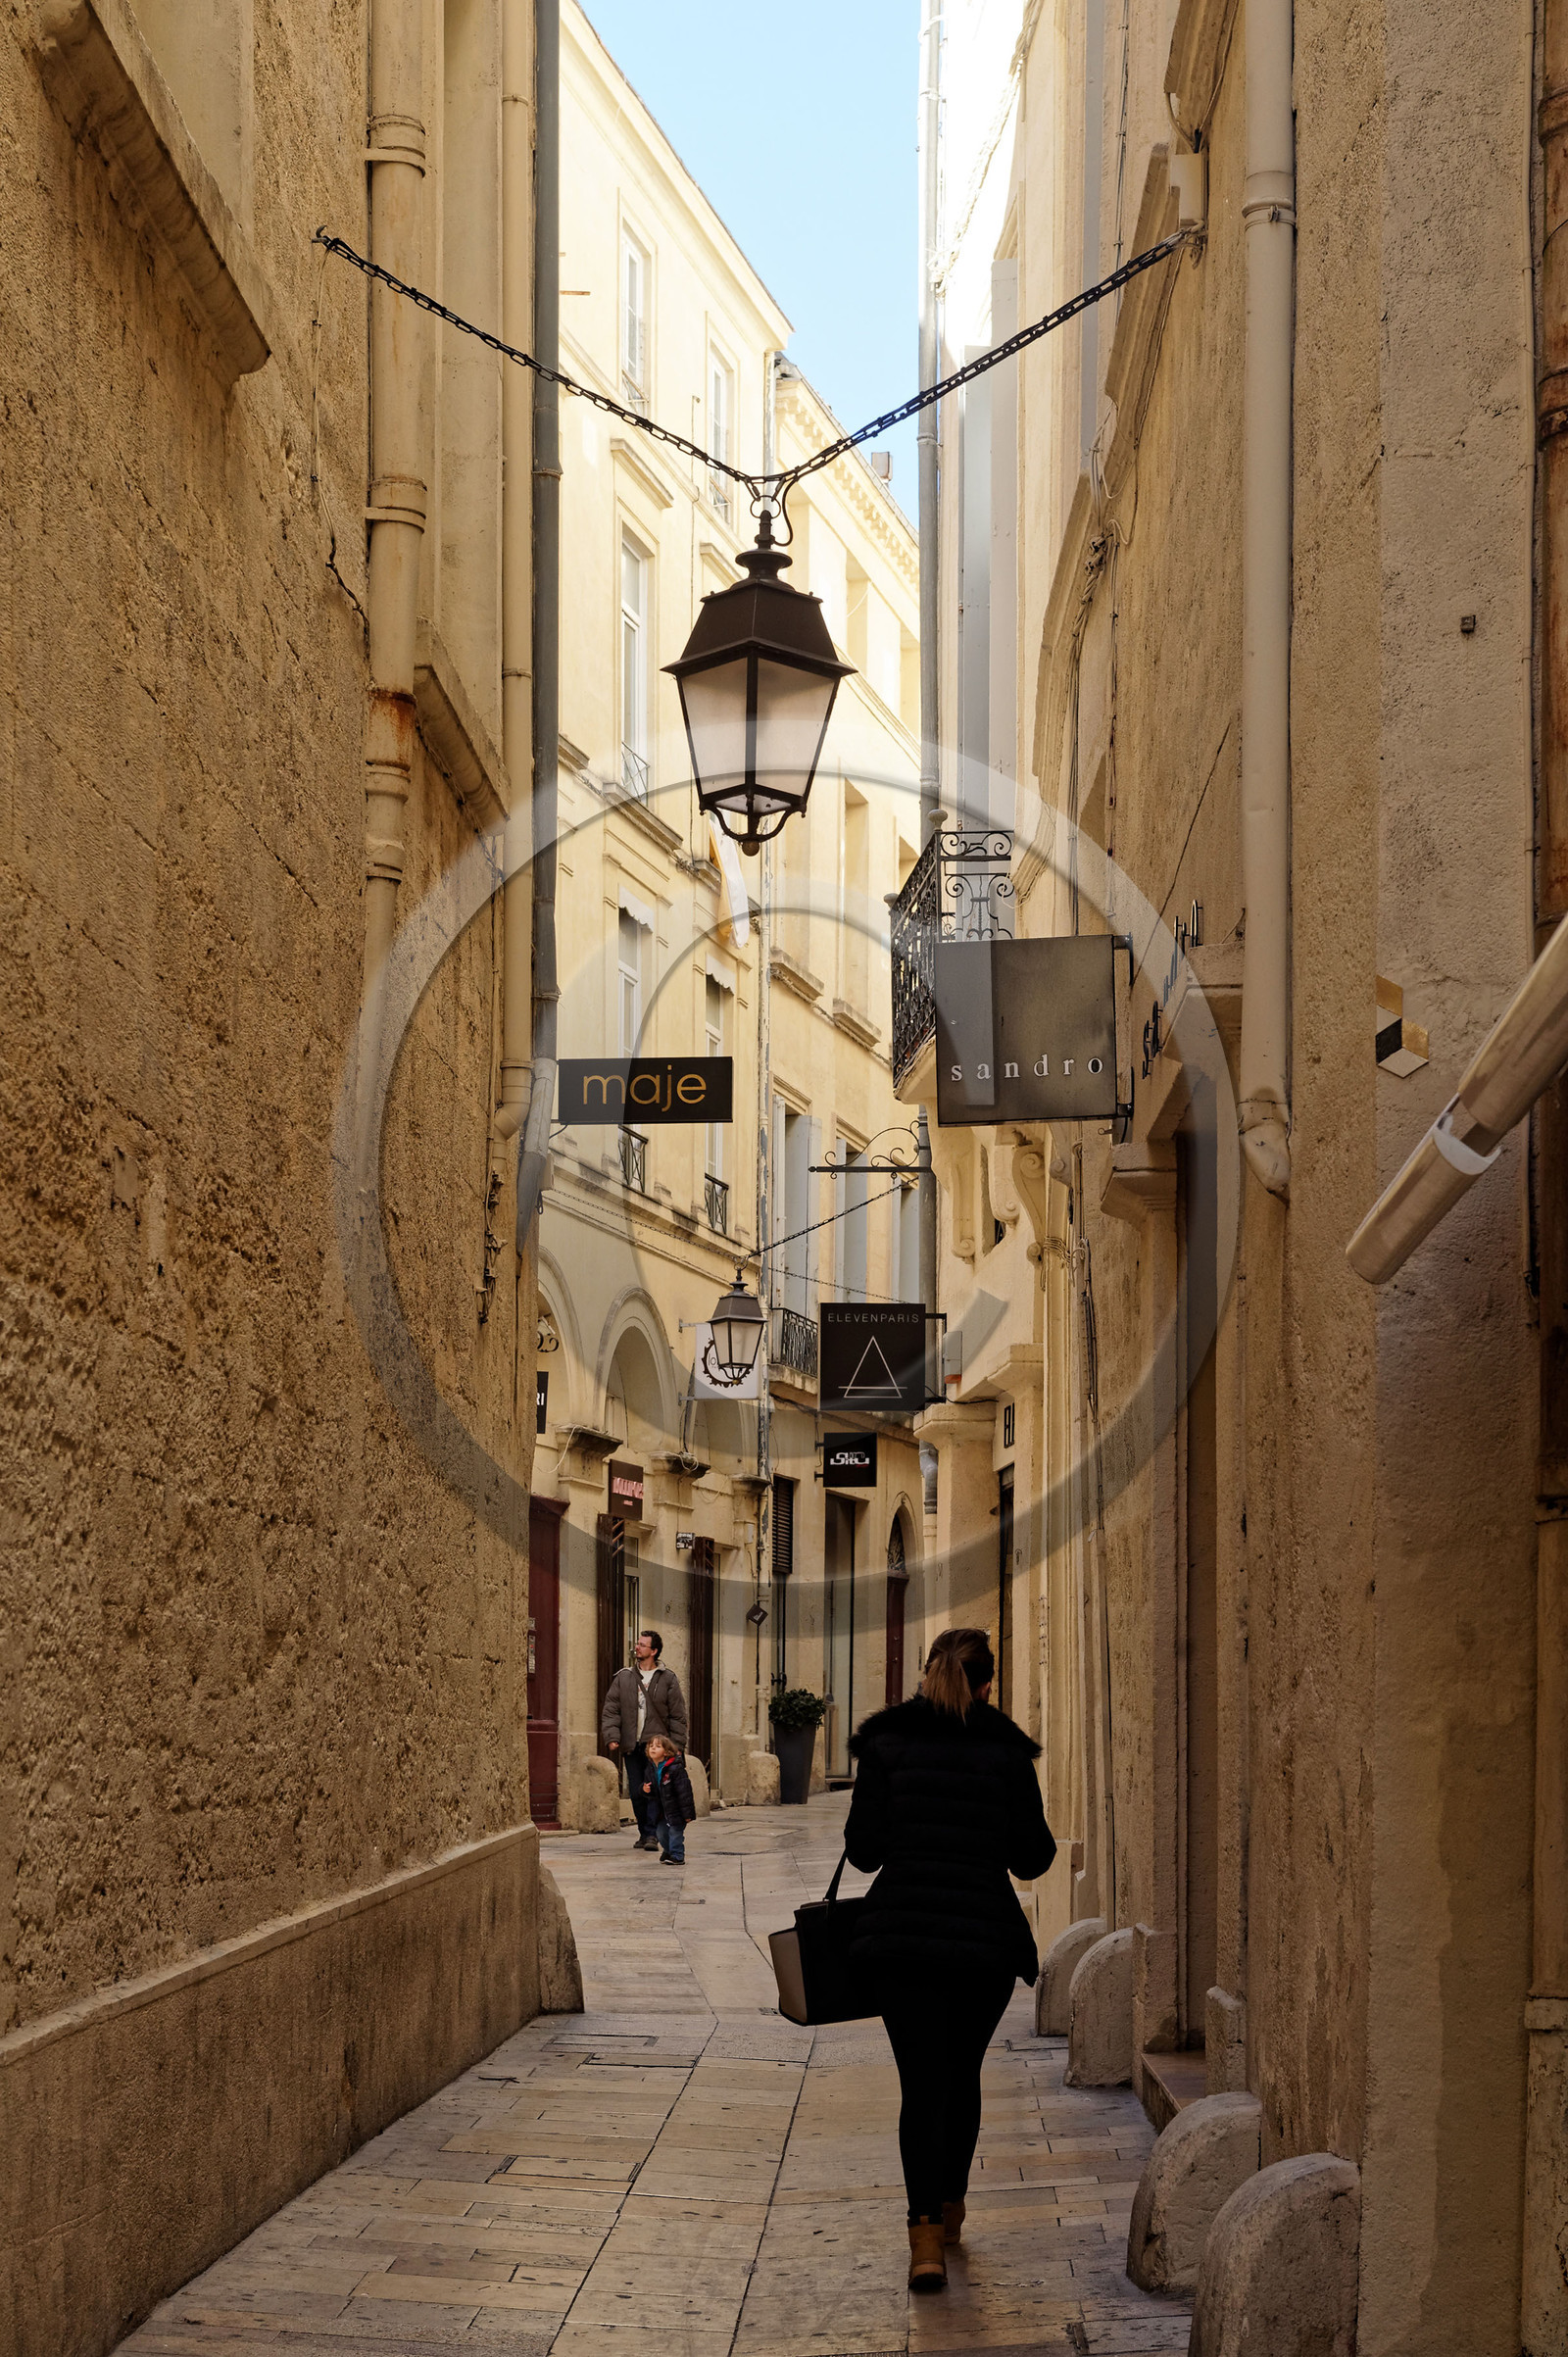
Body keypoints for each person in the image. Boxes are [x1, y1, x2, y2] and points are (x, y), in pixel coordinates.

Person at [844, 1627, 1055, 2295]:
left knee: (920, 2086)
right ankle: (955, 2209)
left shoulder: (886, 1743)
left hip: (901, 1938)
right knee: (961, 2076)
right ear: (988, 1684)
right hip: (982, 1942)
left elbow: (865, 1851)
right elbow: (1034, 1857)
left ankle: (924, 2238)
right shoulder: (1004, 1750)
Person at [601, 1630, 688, 1851]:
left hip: (656, 1746)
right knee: (638, 1791)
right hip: (632, 1744)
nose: (637, 1648)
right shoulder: (624, 1677)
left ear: (654, 1651)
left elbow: (678, 1715)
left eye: (642, 1645)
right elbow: (611, 1709)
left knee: (654, 1791)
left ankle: (651, 1834)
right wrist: (612, 1736)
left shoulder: (668, 1679)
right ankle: (644, 1832)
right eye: (637, 1644)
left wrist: (677, 1746)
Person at [642, 1734, 696, 1866]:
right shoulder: (650, 1768)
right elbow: (650, 1788)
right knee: (660, 1833)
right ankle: (668, 1851)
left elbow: (684, 1792)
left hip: (676, 1809)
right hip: (662, 1810)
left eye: (658, 1746)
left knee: (675, 1832)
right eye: (651, 1746)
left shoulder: (675, 1768)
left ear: (666, 1752)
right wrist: (644, 1789)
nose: (653, 1748)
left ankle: (677, 1855)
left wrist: (687, 1814)